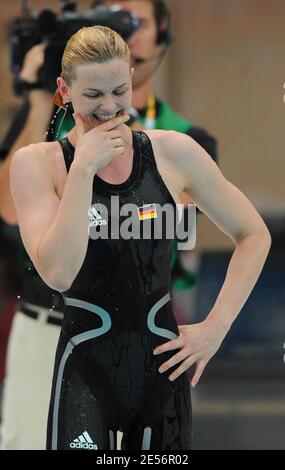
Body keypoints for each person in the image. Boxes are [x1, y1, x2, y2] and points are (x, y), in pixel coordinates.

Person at [10, 25, 271, 450]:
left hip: (161, 378)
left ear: (132, 79)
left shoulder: (174, 153)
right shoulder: (39, 165)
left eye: (119, 90)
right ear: (64, 90)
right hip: (84, 374)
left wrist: (216, 327)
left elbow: (253, 234)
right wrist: (82, 170)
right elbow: (58, 273)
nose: (109, 107)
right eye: (93, 95)